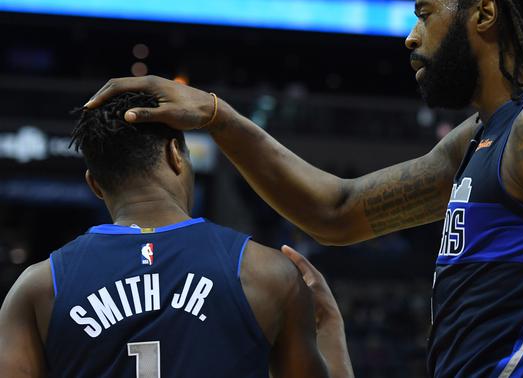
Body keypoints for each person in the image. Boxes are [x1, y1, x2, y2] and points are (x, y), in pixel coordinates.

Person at [83, 0, 523, 377]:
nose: (411, 37)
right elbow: (337, 210)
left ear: (484, 14)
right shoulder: (483, 135)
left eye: (425, 14)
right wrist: (217, 115)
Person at [0, 92, 353, 378]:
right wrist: (331, 329)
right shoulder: (269, 274)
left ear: (94, 184)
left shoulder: (37, 288)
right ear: (176, 155)